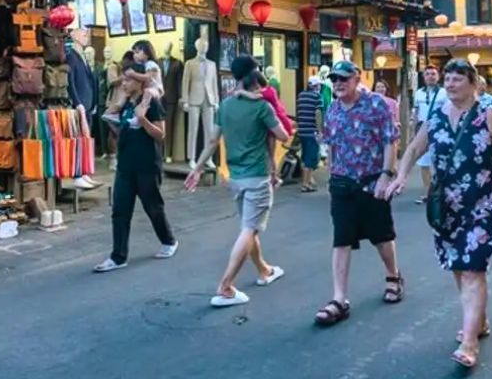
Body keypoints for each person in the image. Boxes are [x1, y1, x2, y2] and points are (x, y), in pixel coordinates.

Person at [383, 60, 492, 369]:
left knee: (473, 267)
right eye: (447, 78)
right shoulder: (436, 118)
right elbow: (413, 150)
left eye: (457, 78)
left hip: (483, 205)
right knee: (459, 267)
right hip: (446, 208)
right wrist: (400, 176)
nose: (449, 84)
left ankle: (469, 341)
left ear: (473, 83)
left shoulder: (489, 116)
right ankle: (479, 320)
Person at [185, 56, 290, 308]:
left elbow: (212, 141)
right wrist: (270, 104)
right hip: (257, 176)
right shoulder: (262, 107)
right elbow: (283, 134)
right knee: (249, 229)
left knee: (248, 226)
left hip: (235, 177)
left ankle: (264, 270)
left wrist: (197, 169)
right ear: (257, 77)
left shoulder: (225, 105)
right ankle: (225, 286)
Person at [313, 61, 402, 326]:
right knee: (341, 239)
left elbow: (390, 141)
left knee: (381, 236)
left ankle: (393, 276)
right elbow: (332, 146)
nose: (338, 83)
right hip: (342, 183)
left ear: (357, 78)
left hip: (372, 181)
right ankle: (339, 298)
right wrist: (331, 177)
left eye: (343, 78)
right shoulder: (333, 109)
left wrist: (387, 175)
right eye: (334, 79)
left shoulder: (377, 105)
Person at [94, 65, 177, 272]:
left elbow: (161, 134)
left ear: (140, 82)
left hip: (147, 164)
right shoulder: (125, 104)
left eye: (128, 80)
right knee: (120, 210)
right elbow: (119, 127)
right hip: (125, 164)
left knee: (153, 207)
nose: (124, 84)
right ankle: (118, 256)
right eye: (123, 80)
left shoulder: (151, 102)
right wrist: (114, 122)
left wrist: (143, 121)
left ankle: (169, 240)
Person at [412, 65, 445, 205]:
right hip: (422, 131)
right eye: (427, 74)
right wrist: (413, 129)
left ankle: (441, 191)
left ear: (438, 76)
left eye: (433, 73)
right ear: (423, 77)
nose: (430, 76)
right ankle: (428, 193)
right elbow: (416, 112)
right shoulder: (419, 93)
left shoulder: (444, 93)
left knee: (439, 162)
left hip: (440, 131)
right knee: (424, 163)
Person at [294, 77, 324, 192]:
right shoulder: (317, 97)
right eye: (319, 86)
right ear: (315, 86)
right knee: (311, 158)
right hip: (312, 131)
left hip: (302, 131)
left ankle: (309, 179)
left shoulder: (301, 95)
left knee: (305, 156)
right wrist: (320, 129)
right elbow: (318, 113)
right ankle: (305, 184)